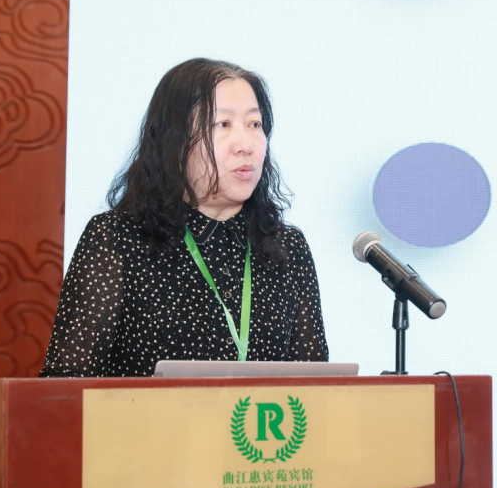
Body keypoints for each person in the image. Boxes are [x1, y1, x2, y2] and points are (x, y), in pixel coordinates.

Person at [40, 58, 328, 377]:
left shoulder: (288, 247)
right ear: (174, 141)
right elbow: (65, 385)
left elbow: (317, 387)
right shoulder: (116, 238)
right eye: (223, 124)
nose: (246, 145)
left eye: (255, 124)